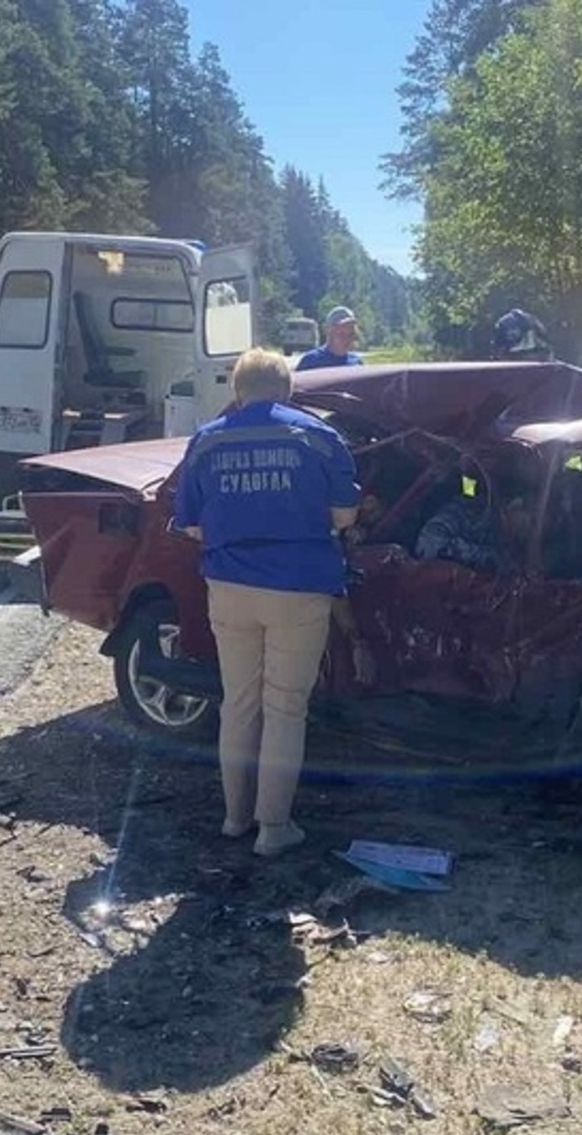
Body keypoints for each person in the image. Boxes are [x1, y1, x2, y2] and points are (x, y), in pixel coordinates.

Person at [174, 347, 360, 856]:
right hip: (299, 586)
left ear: (236, 390)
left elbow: (190, 524)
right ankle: (274, 829)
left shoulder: (206, 441)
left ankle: (235, 818)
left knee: (238, 703)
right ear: (289, 389)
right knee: (285, 708)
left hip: (229, 586)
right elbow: (345, 516)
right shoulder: (320, 437)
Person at [295, 306, 364, 371]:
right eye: (341, 334)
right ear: (328, 331)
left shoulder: (356, 363)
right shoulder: (311, 361)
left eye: (350, 334)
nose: (346, 339)